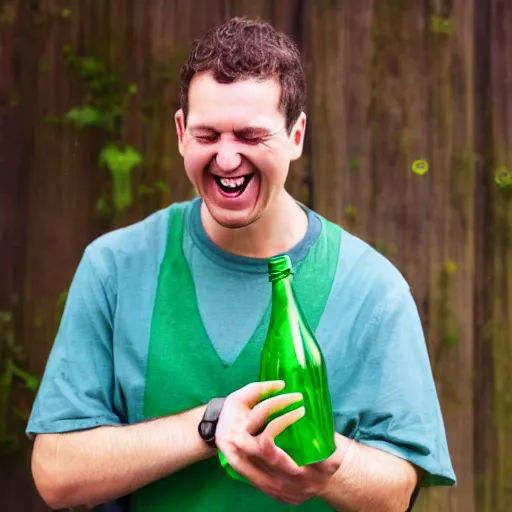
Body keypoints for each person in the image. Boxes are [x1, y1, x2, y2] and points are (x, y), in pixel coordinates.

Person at [26, 16, 456, 512]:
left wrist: (323, 463)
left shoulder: (372, 289)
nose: (227, 159)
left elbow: (397, 490)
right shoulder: (115, 267)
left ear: (296, 136)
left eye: (250, 136)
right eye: (208, 135)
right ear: (182, 132)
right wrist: (212, 423)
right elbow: (55, 472)